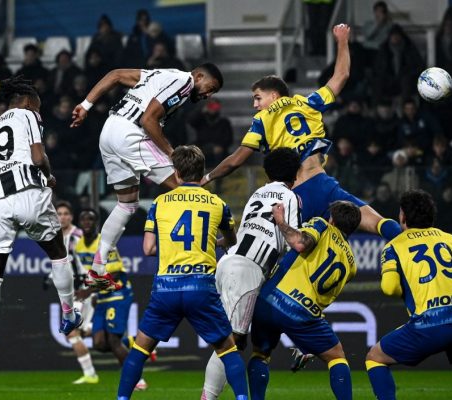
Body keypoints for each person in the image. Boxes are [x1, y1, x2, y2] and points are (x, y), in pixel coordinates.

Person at [202, 24, 402, 242]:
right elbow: (342, 75)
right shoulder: (309, 103)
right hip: (324, 185)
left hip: (295, 197)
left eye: (258, 97)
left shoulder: (263, 120)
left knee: (273, 247)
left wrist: (207, 177)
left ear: (274, 96)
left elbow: (236, 160)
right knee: (378, 223)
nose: (255, 104)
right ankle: (410, 243)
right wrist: (343, 40)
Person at [70, 63, 224, 290]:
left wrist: (85, 105)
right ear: (199, 76)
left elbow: (115, 74)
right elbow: (148, 120)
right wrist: (172, 154)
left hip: (110, 131)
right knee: (189, 188)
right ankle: (200, 251)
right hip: (131, 133)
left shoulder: (159, 74)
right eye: (210, 88)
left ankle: (97, 270)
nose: (208, 95)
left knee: (127, 204)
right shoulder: (185, 82)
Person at [117, 145, 248, 400]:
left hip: (167, 288)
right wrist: (214, 243)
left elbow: (148, 248)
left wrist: (170, 247)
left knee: (139, 351)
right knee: (228, 350)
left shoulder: (159, 202)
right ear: (202, 171)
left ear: (176, 173)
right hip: (201, 287)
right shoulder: (218, 204)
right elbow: (231, 241)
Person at [0, 76, 81, 366]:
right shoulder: (27, 115)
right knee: (58, 253)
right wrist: (49, 176)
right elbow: (37, 156)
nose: (39, 111)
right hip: (30, 194)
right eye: (38, 106)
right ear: (28, 101)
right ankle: (69, 314)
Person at [365, 189, 452, 400]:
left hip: (430, 323)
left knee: (375, 357)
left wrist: (409, 287)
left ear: (403, 216)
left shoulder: (394, 247)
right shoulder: (451, 239)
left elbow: (389, 288)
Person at [201, 147, 301, 400]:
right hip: (248, 269)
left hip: (229, 262)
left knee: (237, 340)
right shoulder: (290, 197)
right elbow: (294, 241)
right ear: (296, 173)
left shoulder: (258, 192)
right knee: (230, 341)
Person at [247, 200, 360, 400]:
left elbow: (300, 243)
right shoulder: (351, 265)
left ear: (332, 219)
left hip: (269, 301)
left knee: (260, 353)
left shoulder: (322, 225)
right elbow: (324, 298)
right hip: (303, 313)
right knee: (336, 356)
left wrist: (281, 221)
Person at [73, 209, 148, 390]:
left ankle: (137, 379)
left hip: (118, 293)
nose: (87, 222)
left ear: (97, 223)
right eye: (83, 219)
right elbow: (91, 274)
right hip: (102, 295)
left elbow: (113, 274)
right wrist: (93, 293)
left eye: (91, 219)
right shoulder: (80, 246)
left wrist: (88, 292)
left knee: (113, 340)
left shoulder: (105, 243)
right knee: (99, 344)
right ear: (80, 223)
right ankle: (130, 342)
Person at [54, 201, 99, 384]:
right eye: (59, 214)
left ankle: (90, 374)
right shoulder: (55, 236)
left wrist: (90, 285)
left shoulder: (79, 236)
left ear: (71, 217)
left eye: (66, 214)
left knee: (73, 331)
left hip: (84, 290)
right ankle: (90, 373)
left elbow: (90, 260)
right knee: (80, 333)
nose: (62, 217)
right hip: (73, 291)